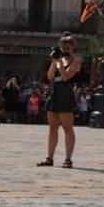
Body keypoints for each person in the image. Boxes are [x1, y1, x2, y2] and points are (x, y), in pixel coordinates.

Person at [38, 33, 82, 168]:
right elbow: (50, 76)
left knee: (67, 128)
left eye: (67, 48)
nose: (64, 51)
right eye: (62, 48)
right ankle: (49, 158)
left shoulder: (76, 61)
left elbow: (65, 77)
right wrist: (54, 61)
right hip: (54, 92)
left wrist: (60, 63)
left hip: (65, 93)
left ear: (72, 48)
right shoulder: (57, 60)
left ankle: (68, 159)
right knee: (52, 128)